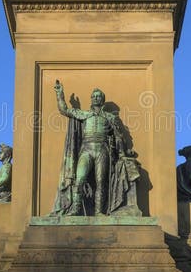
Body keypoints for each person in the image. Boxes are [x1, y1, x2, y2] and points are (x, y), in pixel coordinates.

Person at [52, 81, 139, 216]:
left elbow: (118, 137)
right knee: (79, 179)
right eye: (94, 96)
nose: (96, 98)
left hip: (102, 149)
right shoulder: (84, 115)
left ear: (102, 100)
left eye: (99, 96)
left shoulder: (110, 117)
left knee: (101, 182)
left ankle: (99, 212)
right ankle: (75, 209)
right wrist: (60, 95)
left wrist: (123, 153)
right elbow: (64, 110)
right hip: (86, 149)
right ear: (91, 99)